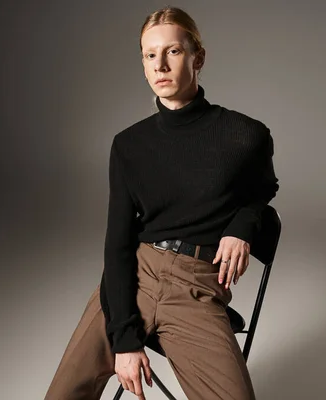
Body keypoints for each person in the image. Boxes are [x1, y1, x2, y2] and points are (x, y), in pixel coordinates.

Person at [44, 6, 279, 400]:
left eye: (173, 52)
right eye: (150, 55)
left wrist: (243, 228)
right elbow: (117, 245)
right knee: (63, 395)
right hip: (136, 274)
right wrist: (124, 341)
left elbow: (262, 191)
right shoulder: (129, 146)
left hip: (196, 286)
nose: (160, 66)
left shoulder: (245, 135)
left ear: (197, 58)